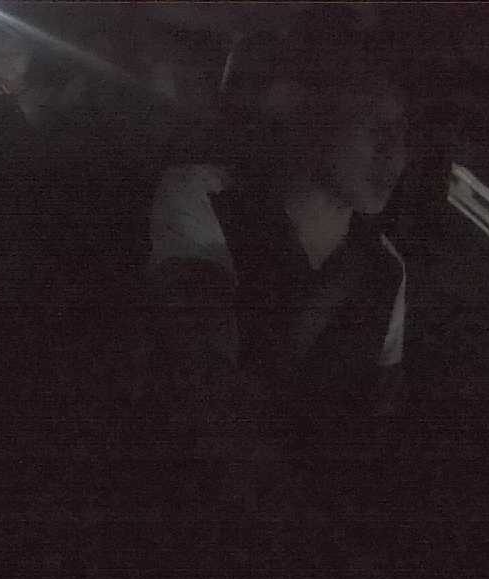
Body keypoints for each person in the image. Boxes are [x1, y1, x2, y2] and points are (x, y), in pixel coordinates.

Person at [143, 17, 411, 511]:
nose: (396, 154)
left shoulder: (387, 269)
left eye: (404, 135)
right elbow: (203, 389)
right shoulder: (204, 196)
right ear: (309, 113)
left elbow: (375, 418)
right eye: (376, 127)